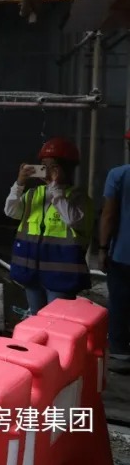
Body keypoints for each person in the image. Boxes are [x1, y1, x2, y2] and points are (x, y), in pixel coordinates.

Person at [5, 137, 94, 316]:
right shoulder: (33, 194)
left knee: (56, 323)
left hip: (61, 277)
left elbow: (73, 220)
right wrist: (19, 184)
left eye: (52, 166)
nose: (46, 170)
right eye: (43, 165)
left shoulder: (78, 198)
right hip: (31, 273)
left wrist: (55, 188)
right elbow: (11, 211)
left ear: (66, 168)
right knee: (36, 318)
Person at [100, 130, 130, 361]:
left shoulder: (119, 175)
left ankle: (120, 354)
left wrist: (102, 248)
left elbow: (109, 215)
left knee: (120, 303)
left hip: (122, 254)